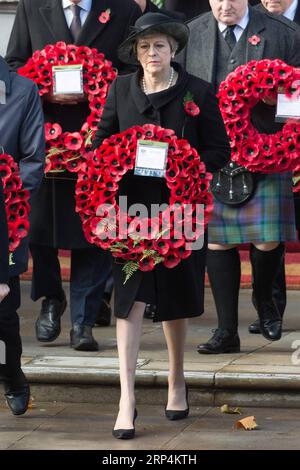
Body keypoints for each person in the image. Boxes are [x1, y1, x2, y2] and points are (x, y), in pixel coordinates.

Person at [92, 12, 230, 439]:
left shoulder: (198, 92)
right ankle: (126, 399)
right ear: (136, 52)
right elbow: (101, 142)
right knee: (128, 298)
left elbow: (218, 150)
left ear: (174, 50)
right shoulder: (119, 88)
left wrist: (186, 164)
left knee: (174, 295)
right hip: (130, 213)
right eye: (145, 47)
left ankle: (176, 379)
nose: (153, 53)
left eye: (160, 46)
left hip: (181, 211)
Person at [5, 0, 142, 351]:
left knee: (92, 235)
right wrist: (45, 87)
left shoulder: (122, 10)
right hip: (43, 137)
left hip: (99, 137)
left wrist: (101, 85)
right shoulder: (32, 7)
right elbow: (15, 62)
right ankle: (52, 298)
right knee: (37, 231)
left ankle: (83, 320)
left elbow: (133, 67)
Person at [183, 0, 300, 354]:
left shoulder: (283, 33)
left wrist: (273, 99)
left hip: (265, 150)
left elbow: (298, 94)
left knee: (266, 240)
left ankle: (266, 300)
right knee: (218, 243)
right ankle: (226, 331)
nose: (223, 5)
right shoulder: (191, 33)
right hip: (215, 152)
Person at [0, 55, 45, 415]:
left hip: (5, 217)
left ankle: (11, 373)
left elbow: (32, 158)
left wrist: (11, 198)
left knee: (3, 315)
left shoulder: (22, 90)